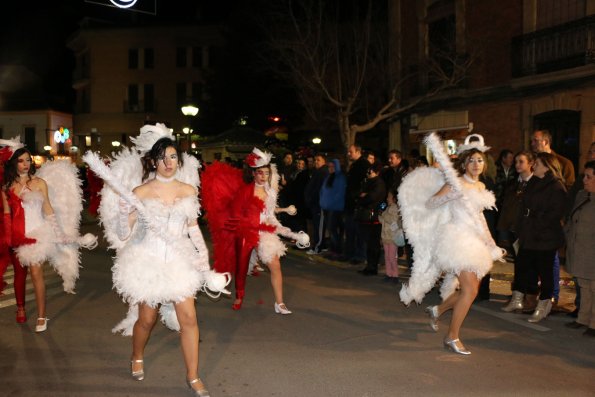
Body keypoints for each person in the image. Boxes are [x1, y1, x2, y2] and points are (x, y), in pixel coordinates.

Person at [84, 125, 228, 396]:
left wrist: (203, 260)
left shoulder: (187, 190)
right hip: (148, 261)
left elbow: (193, 228)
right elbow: (124, 233)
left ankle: (193, 375)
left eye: (172, 157)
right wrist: (124, 213)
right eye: (162, 158)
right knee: (146, 320)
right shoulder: (141, 192)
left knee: (189, 319)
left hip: (179, 262)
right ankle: (137, 355)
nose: (168, 163)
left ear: (179, 159)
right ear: (153, 161)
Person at [399, 133, 505, 355]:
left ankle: (437, 310)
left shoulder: (478, 187)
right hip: (457, 240)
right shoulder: (455, 184)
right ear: (464, 163)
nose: (476, 164)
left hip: (474, 241)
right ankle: (451, 336)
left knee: (471, 290)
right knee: (469, 290)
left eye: (480, 160)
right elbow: (430, 203)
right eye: (471, 160)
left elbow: (480, 219)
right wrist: (450, 194)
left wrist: (491, 243)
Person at [1, 138, 96, 333]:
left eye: (28, 160)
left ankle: (42, 315)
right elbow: (6, 214)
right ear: (13, 163)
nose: (26, 164)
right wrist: (9, 239)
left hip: (37, 234)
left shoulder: (39, 183)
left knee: (36, 272)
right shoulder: (6, 187)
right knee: (20, 273)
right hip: (16, 235)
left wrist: (59, 234)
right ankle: (20, 308)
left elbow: (48, 209)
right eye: (21, 161)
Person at [201, 148, 309, 313]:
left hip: (264, 233)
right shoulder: (245, 191)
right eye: (260, 173)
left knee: (275, 265)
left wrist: (291, 233)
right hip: (245, 233)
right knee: (242, 267)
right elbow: (236, 214)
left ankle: (279, 303)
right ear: (253, 173)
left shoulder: (271, 193)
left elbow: (271, 218)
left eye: (266, 173)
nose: (263, 176)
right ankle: (239, 296)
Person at [511, 152, 567, 323]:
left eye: (537, 163)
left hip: (545, 236)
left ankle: (544, 305)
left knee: (546, 272)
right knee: (524, 266)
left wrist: (536, 221)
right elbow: (524, 205)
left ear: (546, 166)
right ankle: (518, 299)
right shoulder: (534, 182)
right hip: (530, 234)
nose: (533, 166)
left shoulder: (556, 186)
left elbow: (555, 213)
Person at [564, 161, 595, 336]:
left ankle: (594, 323)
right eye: (584, 176)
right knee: (583, 284)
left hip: (592, 250)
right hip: (580, 248)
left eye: (589, 177)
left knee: (594, 287)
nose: (584, 180)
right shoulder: (582, 195)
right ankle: (583, 319)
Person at [355, 162, 386, 276]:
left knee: (373, 243)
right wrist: (362, 196)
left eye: (370, 171)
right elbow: (360, 194)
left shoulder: (378, 183)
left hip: (374, 217)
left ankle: (373, 267)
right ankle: (369, 266)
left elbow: (371, 197)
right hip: (367, 216)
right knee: (368, 243)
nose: (368, 173)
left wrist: (364, 196)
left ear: (376, 172)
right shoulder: (368, 182)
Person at [343, 144, 369, 264]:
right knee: (350, 230)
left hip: (357, 204)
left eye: (351, 152)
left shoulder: (363, 165)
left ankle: (360, 255)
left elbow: (364, 184)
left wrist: (357, 196)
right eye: (348, 152)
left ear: (358, 152)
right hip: (351, 203)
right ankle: (350, 253)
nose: (349, 154)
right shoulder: (355, 165)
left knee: (358, 231)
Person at [319, 159, 346, 258]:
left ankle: (337, 250)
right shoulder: (328, 177)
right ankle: (333, 249)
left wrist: (329, 203)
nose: (330, 169)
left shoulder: (340, 178)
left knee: (333, 229)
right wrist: (322, 202)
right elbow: (322, 191)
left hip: (335, 208)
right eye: (329, 167)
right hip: (326, 207)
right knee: (330, 230)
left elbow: (339, 194)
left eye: (332, 167)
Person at [378, 189, 403, 282]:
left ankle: (395, 275)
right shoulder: (387, 208)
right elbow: (383, 221)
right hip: (385, 236)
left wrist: (383, 215)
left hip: (392, 237)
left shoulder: (395, 208)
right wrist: (380, 215)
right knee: (387, 257)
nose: (387, 198)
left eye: (389, 197)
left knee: (392, 257)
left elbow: (393, 220)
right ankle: (388, 274)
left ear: (394, 199)